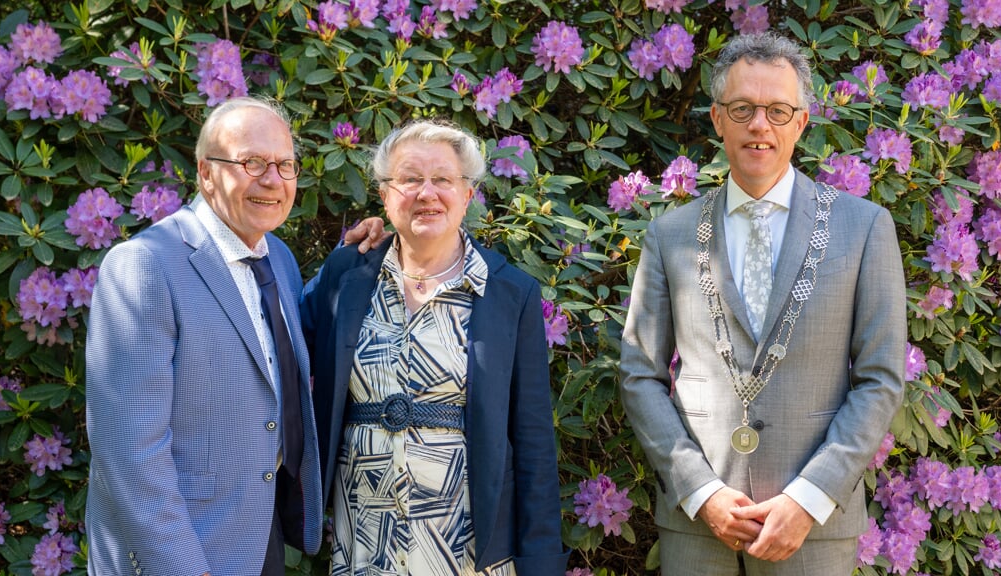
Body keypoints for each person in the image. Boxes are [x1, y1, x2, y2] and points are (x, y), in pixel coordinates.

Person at [620, 32, 906, 575]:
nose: (760, 125)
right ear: (717, 119)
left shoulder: (864, 228)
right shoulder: (669, 234)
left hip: (812, 529)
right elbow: (639, 374)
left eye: (777, 110)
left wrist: (809, 498)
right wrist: (701, 492)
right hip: (698, 526)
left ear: (801, 122)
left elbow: (881, 378)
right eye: (743, 109)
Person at [85, 96, 385, 575]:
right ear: (206, 173)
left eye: (285, 165)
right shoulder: (145, 266)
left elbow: (287, 339)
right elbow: (128, 450)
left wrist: (353, 259)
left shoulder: (277, 257)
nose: (272, 179)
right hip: (181, 548)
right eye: (252, 162)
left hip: (255, 534)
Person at [301, 119, 569, 576]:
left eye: (443, 179)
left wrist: (541, 561)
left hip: (467, 548)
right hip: (365, 539)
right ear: (385, 195)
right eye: (409, 179)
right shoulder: (347, 276)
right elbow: (279, 336)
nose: (427, 193)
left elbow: (532, 441)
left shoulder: (509, 293)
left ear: (467, 195)